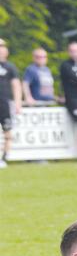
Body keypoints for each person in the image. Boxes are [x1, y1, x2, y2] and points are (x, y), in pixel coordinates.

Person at [0, 38, 23, 168]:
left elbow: (16, 86)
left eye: (2, 47)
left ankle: (4, 158)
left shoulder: (10, 67)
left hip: (4, 104)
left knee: (7, 132)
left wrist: (18, 103)